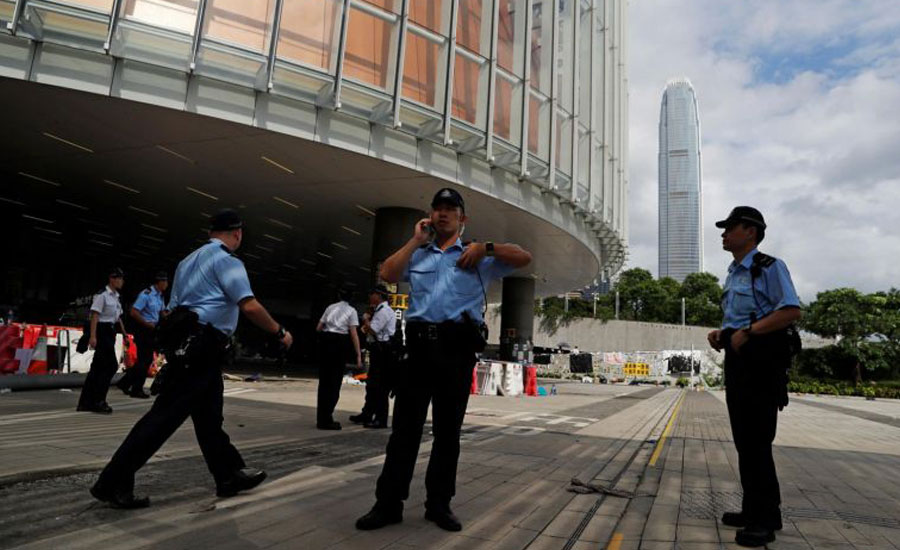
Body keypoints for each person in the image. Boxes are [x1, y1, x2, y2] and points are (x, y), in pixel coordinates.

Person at [90, 209, 293, 509]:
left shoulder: (187, 262)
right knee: (163, 418)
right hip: (203, 346)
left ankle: (228, 474)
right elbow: (249, 306)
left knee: (209, 418)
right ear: (237, 234)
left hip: (188, 344)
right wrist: (279, 333)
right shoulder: (227, 261)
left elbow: (172, 310)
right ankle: (112, 481)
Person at [356, 187, 532, 532]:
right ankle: (388, 503)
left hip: (456, 351)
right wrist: (413, 240)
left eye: (450, 209)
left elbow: (524, 257)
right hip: (418, 349)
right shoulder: (419, 255)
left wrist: (486, 248)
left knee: (447, 433)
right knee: (404, 431)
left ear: (462, 219)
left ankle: (439, 504)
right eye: (437, 208)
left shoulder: (478, 256)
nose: (442, 213)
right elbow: (388, 274)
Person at [706, 206, 801, 547]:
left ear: (750, 231)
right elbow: (742, 317)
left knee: (758, 441)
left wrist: (749, 331)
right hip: (739, 357)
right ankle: (755, 510)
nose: (723, 234)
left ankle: (765, 521)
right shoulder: (733, 272)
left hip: (762, 360)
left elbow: (790, 310)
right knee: (745, 441)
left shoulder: (770, 267)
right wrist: (724, 334)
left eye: (729, 228)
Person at [77, 268, 128, 414]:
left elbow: (118, 318)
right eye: (119, 278)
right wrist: (93, 337)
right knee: (110, 366)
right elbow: (95, 316)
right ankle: (98, 400)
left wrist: (124, 334)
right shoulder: (102, 295)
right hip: (101, 331)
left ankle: (86, 402)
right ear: (112, 279)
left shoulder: (116, 297)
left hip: (110, 331)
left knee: (97, 368)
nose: (121, 281)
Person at [350, 285, 396, 429]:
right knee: (372, 385)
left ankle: (380, 419)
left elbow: (373, 330)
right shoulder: (378, 311)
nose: (370, 296)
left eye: (372, 293)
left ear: (379, 296)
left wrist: (365, 319)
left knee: (380, 386)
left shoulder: (384, 311)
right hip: (377, 351)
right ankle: (367, 413)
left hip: (383, 352)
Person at [116, 271, 168, 398]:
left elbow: (162, 313)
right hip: (143, 329)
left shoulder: (160, 296)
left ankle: (125, 382)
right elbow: (133, 312)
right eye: (165, 282)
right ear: (159, 282)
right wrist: (146, 323)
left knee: (145, 360)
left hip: (152, 330)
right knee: (144, 360)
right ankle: (136, 389)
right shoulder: (146, 294)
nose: (166, 284)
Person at [315, 290, 362, 430]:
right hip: (340, 343)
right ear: (351, 298)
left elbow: (318, 327)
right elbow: (353, 334)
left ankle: (321, 418)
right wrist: (358, 355)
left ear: (338, 296)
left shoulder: (330, 307)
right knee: (334, 383)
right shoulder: (352, 311)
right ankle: (327, 418)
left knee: (324, 382)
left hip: (326, 341)